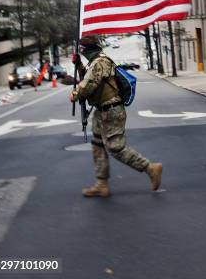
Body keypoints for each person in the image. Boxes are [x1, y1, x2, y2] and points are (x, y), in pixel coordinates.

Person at [69, 35, 163, 197]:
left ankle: (150, 168)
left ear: (86, 50)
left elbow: (89, 84)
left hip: (111, 110)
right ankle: (101, 184)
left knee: (115, 147)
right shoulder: (97, 61)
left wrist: (75, 94)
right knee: (98, 145)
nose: (82, 53)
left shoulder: (100, 62)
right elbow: (90, 77)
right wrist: (78, 65)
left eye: (82, 51)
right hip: (102, 110)